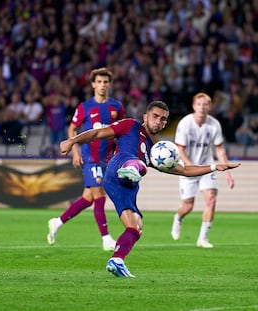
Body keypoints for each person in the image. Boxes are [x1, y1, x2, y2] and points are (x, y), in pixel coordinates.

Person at [59, 100, 240, 277]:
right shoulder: (129, 125)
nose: (159, 121)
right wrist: (72, 140)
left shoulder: (156, 151)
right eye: (155, 116)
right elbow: (97, 133)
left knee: (135, 227)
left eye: (163, 119)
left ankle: (117, 260)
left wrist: (215, 167)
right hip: (117, 167)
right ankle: (132, 168)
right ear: (145, 117)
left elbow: (184, 170)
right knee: (135, 162)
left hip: (126, 188)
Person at [47, 67, 125, 251]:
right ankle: (106, 239)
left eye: (106, 82)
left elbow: (121, 131)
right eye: (99, 82)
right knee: (99, 195)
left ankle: (57, 222)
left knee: (88, 198)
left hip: (107, 158)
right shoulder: (85, 107)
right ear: (93, 84)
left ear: (110, 84)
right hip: (90, 156)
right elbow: (72, 129)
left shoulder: (117, 107)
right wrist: (75, 150)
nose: (102, 85)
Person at [171, 92, 235, 248]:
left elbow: (219, 149)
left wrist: (227, 172)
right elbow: (180, 149)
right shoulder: (185, 124)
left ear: (209, 107)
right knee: (188, 206)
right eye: (199, 104)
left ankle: (203, 238)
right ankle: (178, 218)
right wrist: (192, 167)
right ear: (193, 106)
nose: (202, 107)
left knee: (211, 198)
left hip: (207, 167)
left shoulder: (214, 124)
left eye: (205, 104)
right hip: (188, 168)